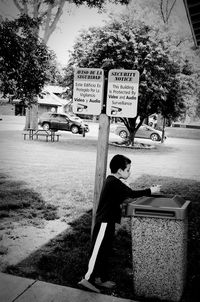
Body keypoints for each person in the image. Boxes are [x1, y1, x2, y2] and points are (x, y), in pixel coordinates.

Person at [78, 154, 161, 293]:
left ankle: (100, 278)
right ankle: (87, 278)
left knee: (105, 251)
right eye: (128, 170)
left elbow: (126, 193)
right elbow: (132, 194)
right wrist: (151, 190)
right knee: (97, 250)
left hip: (108, 221)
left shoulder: (115, 181)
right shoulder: (113, 182)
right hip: (104, 222)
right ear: (119, 171)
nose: (129, 172)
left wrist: (128, 186)